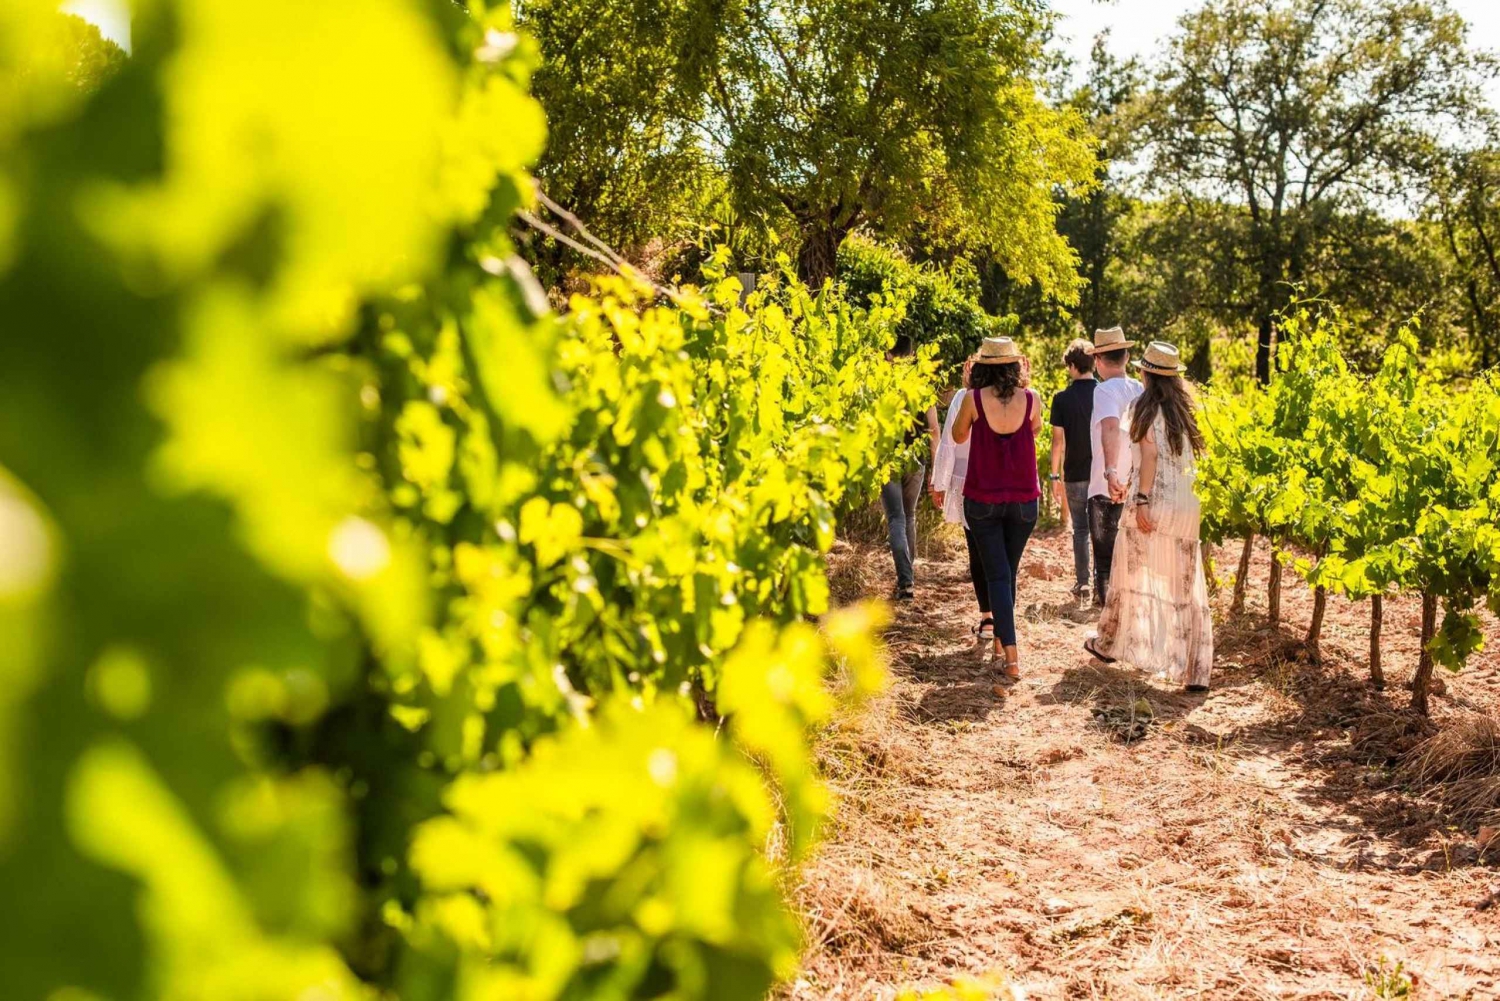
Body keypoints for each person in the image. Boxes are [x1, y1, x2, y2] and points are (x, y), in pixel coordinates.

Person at [1084, 341, 1214, 692]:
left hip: (1156, 499)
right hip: (1188, 504)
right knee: (1184, 582)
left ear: (1146, 374)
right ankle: (1195, 670)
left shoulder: (1143, 408)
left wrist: (1140, 498)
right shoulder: (1185, 413)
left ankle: (1111, 644)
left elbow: (1150, 457)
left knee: (1129, 570)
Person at [952, 336, 1042, 679]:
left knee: (999, 575)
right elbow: (1033, 429)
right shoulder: (1032, 399)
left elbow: (959, 436)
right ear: (1016, 366)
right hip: (1024, 501)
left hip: (983, 499)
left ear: (981, 368)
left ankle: (1012, 657)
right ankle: (1001, 642)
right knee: (1007, 573)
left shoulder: (974, 399)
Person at [929, 358, 993, 643]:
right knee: (994, 552)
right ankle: (998, 616)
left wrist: (940, 482)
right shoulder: (1005, 397)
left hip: (966, 480)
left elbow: (949, 440)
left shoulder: (963, 397)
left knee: (976, 550)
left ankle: (987, 618)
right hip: (998, 480)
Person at [1083, 326, 1143, 606]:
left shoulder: (1104, 390)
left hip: (1106, 484)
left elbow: (1110, 427)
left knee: (1105, 559)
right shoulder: (1141, 389)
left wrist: (1110, 471)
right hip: (1135, 483)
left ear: (1097, 361)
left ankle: (1108, 615)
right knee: (1130, 556)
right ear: (1127, 356)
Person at [881, 335, 939, 601]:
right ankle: (908, 578)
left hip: (888, 459)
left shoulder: (880, 384)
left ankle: (905, 581)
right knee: (910, 516)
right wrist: (936, 468)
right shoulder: (922, 385)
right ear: (912, 354)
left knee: (896, 518)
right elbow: (934, 429)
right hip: (915, 459)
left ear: (890, 354)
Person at [1048, 339, 1097, 601]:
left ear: (1072, 366)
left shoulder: (1062, 399)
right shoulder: (1104, 393)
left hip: (1075, 472)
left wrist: (1054, 475)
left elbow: (1058, 441)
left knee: (1080, 529)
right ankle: (1104, 581)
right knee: (1102, 528)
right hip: (1101, 472)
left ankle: (1083, 582)